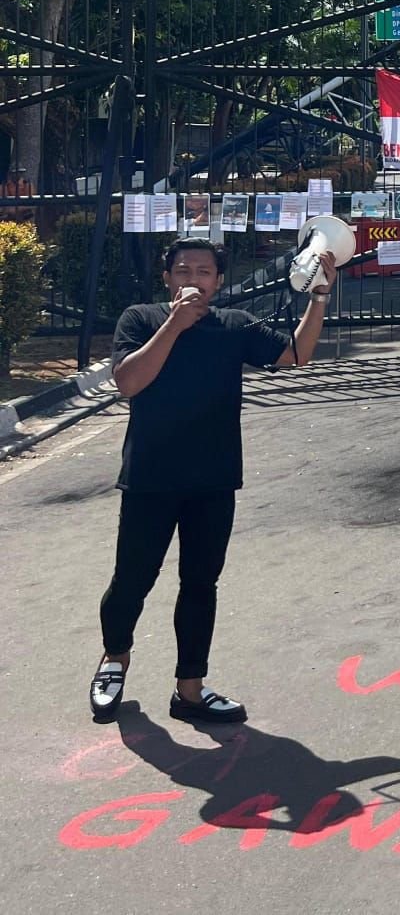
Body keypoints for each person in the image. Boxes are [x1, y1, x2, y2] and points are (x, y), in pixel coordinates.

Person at [89, 237, 337, 725]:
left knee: (200, 584)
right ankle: (115, 658)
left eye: (204, 272)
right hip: (150, 479)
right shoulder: (140, 319)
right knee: (132, 580)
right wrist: (174, 325)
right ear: (168, 278)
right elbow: (128, 382)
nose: (192, 281)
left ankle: (190, 690)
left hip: (213, 479)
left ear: (218, 281)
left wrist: (320, 297)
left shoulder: (233, 326)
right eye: (183, 271)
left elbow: (295, 354)